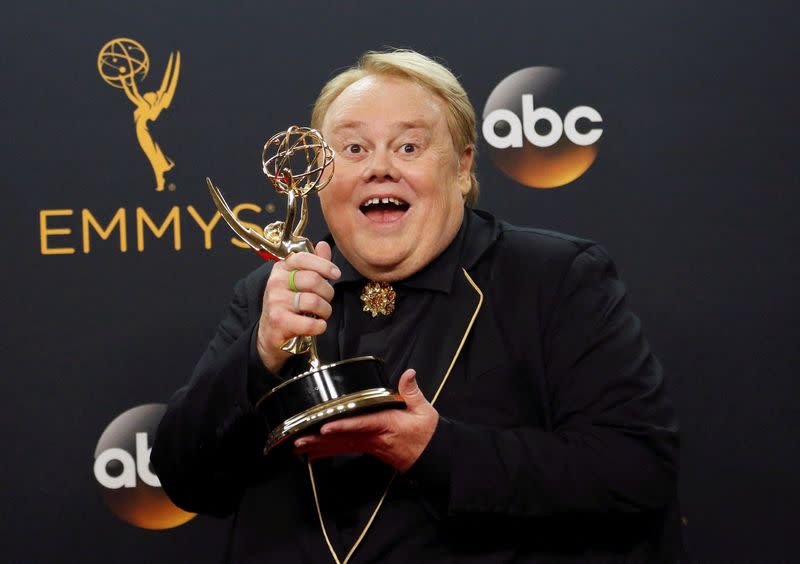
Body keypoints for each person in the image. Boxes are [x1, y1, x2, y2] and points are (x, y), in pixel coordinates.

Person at [152, 49, 683, 563]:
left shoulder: (555, 278)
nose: (379, 168)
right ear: (316, 175)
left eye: (409, 147)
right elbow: (184, 479)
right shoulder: (270, 295)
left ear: (463, 167)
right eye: (353, 149)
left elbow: (635, 471)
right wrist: (258, 355)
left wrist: (432, 451)